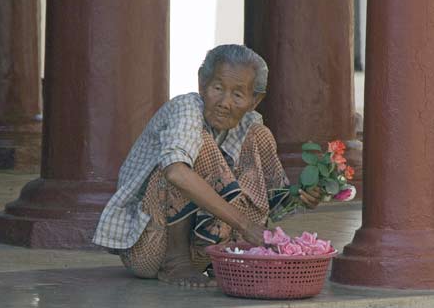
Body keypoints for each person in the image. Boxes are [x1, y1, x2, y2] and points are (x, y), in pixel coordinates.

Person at [92, 44, 321, 287]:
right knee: (191, 152)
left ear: (255, 100)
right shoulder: (187, 108)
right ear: (202, 83)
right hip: (149, 249)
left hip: (204, 253)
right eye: (218, 88)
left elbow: (268, 202)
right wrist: (244, 225)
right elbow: (176, 172)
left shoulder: (250, 124)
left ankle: (235, 253)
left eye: (238, 94)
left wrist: (302, 197)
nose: (224, 102)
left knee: (259, 134)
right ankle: (175, 262)